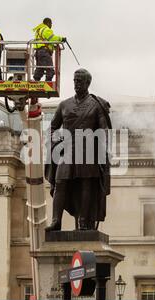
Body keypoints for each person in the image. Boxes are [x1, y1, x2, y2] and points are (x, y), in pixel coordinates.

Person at [45, 69, 112, 231]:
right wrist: (57, 140)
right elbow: (52, 128)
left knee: (86, 185)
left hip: (88, 151)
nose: (76, 84)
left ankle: (83, 220)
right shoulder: (64, 105)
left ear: (88, 83)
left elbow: (103, 130)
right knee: (60, 182)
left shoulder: (97, 105)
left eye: (80, 81)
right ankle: (56, 221)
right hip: (67, 150)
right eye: (75, 80)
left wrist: (101, 150)